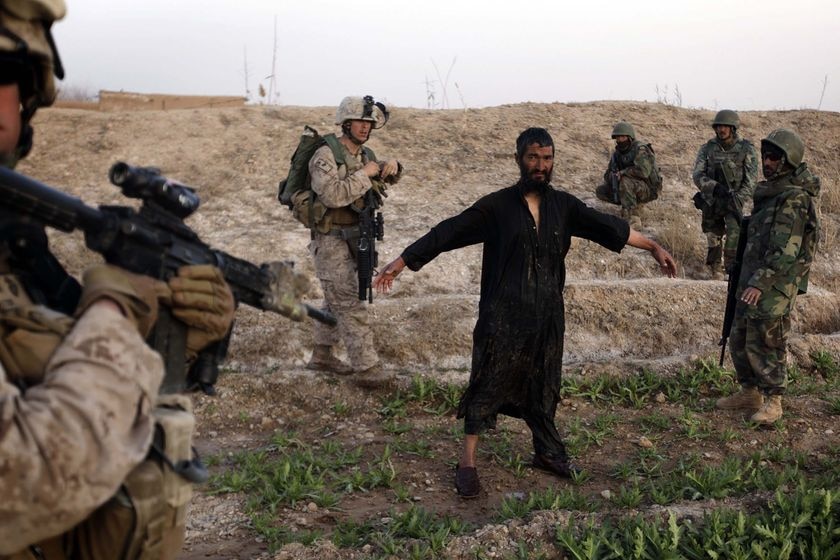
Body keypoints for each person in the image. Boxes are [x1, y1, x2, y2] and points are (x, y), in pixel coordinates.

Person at [0, 2, 235, 557]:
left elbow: (52, 373)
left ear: (27, 95)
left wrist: (164, 330)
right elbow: (22, 478)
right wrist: (115, 312)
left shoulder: (15, 244)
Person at [374, 128, 676, 498]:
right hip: (502, 315)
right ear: (519, 159)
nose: (540, 165)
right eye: (533, 157)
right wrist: (401, 262)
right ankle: (467, 462)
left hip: (547, 315)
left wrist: (653, 247)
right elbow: (447, 232)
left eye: (547, 158)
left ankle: (547, 453)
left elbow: (609, 227)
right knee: (487, 382)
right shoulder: (497, 207)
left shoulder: (564, 206)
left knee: (544, 383)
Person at [716, 128, 819, 425]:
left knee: (767, 340)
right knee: (739, 335)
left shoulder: (794, 198)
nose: (767, 162)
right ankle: (749, 391)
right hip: (754, 277)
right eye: (765, 156)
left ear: (789, 160)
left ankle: (773, 401)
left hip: (775, 281)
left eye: (774, 157)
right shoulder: (771, 194)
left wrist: (761, 282)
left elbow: (786, 249)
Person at [303, 95, 402, 389]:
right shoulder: (324, 155)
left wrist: (392, 167)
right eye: (359, 122)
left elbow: (376, 181)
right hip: (330, 237)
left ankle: (321, 355)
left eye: (369, 123)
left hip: (356, 237)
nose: (365, 127)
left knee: (336, 298)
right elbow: (331, 195)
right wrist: (366, 174)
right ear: (345, 123)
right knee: (348, 300)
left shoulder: (365, 155)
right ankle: (367, 366)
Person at [692, 110, 759, 279]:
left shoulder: (746, 149)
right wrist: (713, 187)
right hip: (712, 199)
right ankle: (715, 267)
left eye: (725, 126)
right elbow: (698, 175)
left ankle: (731, 267)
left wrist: (737, 198)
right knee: (712, 234)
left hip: (733, 199)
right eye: (719, 126)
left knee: (734, 233)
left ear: (733, 128)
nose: (721, 129)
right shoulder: (707, 149)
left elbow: (751, 180)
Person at [595, 122, 662, 224]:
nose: (620, 140)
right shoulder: (617, 154)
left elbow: (643, 172)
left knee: (625, 181)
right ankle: (632, 205)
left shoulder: (640, 149)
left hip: (649, 189)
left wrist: (623, 173)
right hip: (630, 186)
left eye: (622, 137)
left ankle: (633, 218)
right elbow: (607, 174)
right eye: (617, 138)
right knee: (601, 190)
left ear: (630, 137)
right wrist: (613, 176)